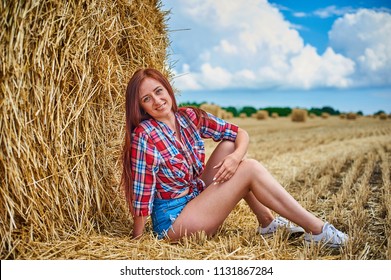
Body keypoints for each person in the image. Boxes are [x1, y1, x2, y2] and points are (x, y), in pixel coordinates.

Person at [121, 68, 348, 248]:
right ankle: (318, 230)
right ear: (141, 107)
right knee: (248, 169)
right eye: (147, 99)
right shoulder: (145, 135)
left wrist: (235, 157)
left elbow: (240, 133)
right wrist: (139, 241)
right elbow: (143, 191)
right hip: (174, 220)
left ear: (168, 89)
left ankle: (268, 223)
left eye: (159, 91)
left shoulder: (188, 117)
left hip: (195, 195)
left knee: (230, 146)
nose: (157, 101)